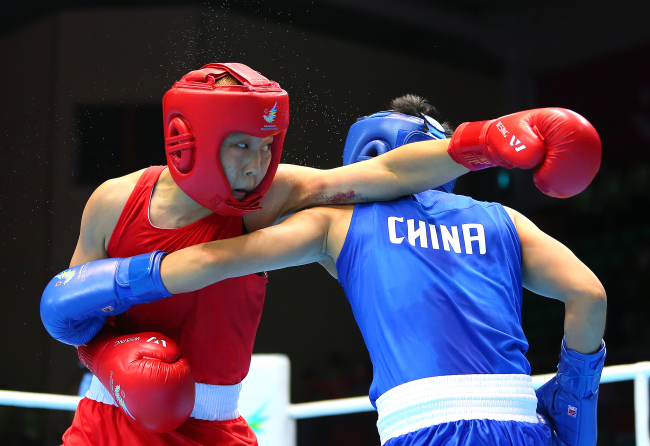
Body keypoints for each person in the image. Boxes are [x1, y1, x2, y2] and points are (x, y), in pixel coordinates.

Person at [40, 62, 601, 446]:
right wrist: (108, 361)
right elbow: (71, 316)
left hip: (218, 427)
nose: (257, 165)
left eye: (266, 148)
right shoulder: (115, 202)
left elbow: (377, 173)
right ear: (189, 139)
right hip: (109, 418)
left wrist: (477, 146)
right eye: (241, 147)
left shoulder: (277, 200)